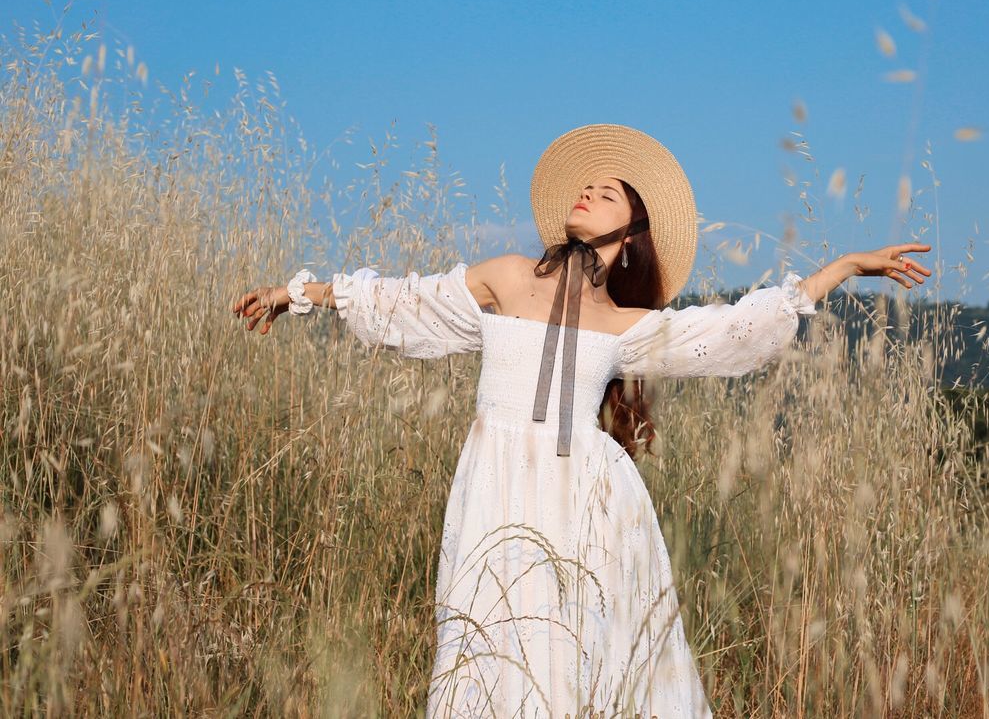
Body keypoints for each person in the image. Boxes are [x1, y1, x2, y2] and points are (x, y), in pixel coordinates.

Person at [232, 124, 931, 717]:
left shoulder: (628, 323)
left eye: (608, 192)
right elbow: (405, 302)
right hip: (494, 492)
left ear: (631, 233)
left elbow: (733, 331)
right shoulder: (507, 276)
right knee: (486, 650)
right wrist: (299, 296)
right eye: (584, 186)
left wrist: (839, 268)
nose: (588, 192)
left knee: (571, 662)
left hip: (585, 505)